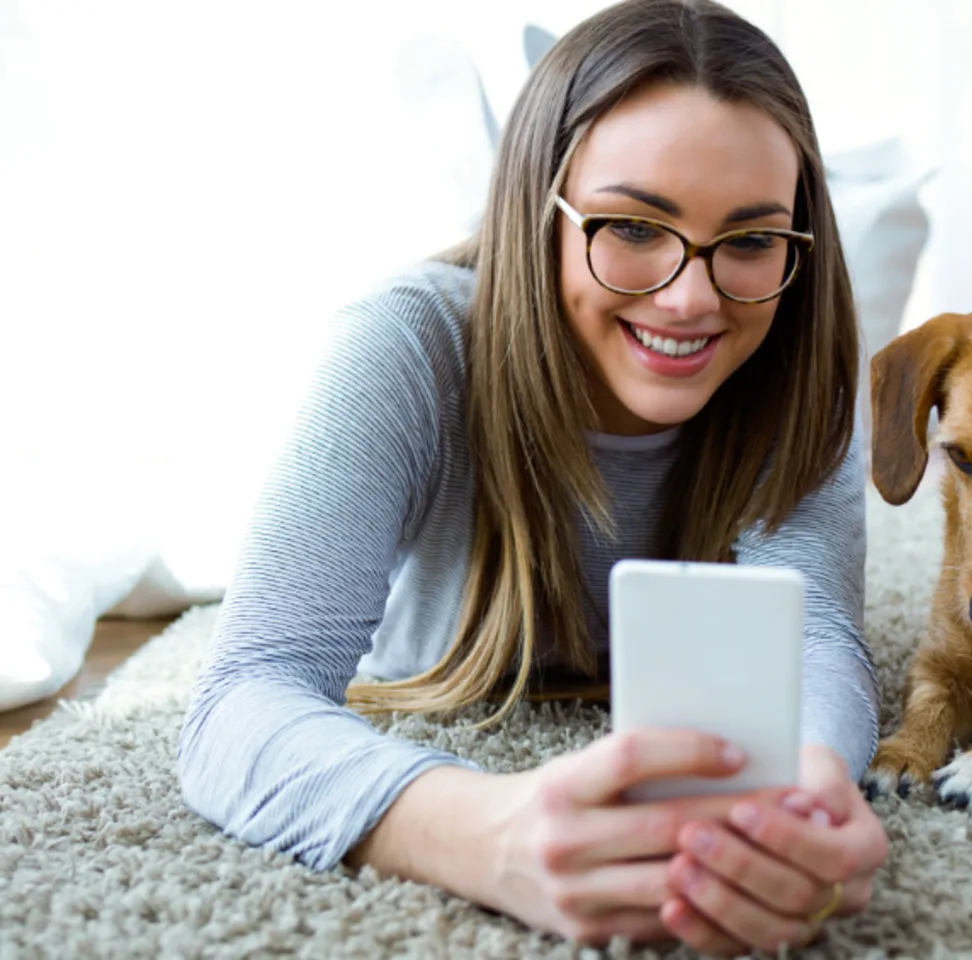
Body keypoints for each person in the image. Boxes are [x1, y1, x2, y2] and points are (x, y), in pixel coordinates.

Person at [175, 0, 889, 954]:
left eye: (752, 241)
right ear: (538, 212)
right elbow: (241, 698)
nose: (691, 296)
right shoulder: (406, 344)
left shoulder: (802, 367)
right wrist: (487, 835)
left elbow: (820, 640)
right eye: (633, 226)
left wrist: (807, 792)